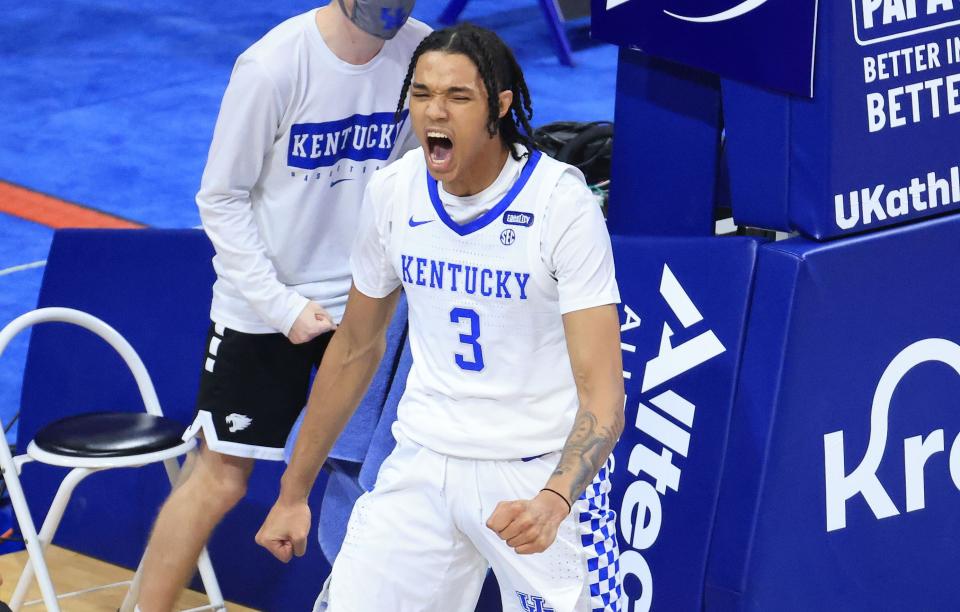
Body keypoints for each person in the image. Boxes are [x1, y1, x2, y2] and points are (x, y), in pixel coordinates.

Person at [257, 23, 625, 612]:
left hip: (534, 471)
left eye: (458, 97)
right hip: (423, 461)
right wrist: (294, 490)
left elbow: (604, 393)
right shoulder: (395, 191)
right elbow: (354, 348)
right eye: (422, 93)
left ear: (499, 107)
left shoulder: (561, 204)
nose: (435, 112)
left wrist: (557, 497)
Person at [137, 2, 429, 609]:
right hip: (265, 306)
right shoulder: (272, 67)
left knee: (382, 482)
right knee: (219, 479)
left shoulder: (423, 54)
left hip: (366, 306)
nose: (396, 8)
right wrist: (280, 306)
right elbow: (220, 198)